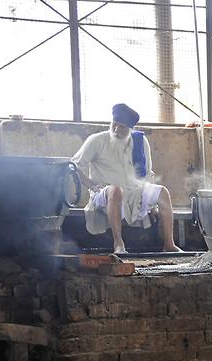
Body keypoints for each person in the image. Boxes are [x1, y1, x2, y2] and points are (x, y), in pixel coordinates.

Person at [72, 103, 181, 254]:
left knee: (163, 192)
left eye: (122, 127)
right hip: (104, 192)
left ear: (130, 129)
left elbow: (148, 173)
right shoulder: (97, 140)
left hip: (134, 191)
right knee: (116, 190)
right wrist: (90, 185)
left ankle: (169, 244)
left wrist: (153, 205)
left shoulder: (140, 142)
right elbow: (73, 166)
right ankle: (118, 244)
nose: (116, 130)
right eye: (114, 125)